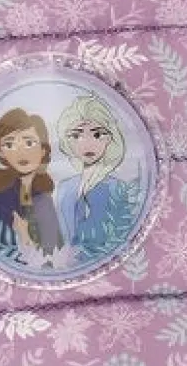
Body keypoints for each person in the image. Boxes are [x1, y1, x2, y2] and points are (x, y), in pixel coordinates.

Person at [0, 108, 64, 257]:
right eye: (10, 145)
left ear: (43, 149)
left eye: (29, 143)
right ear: (1, 152)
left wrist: (25, 237)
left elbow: (54, 251)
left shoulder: (44, 198)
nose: (21, 152)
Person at [55, 95, 132, 258]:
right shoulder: (64, 188)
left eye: (97, 135)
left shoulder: (117, 188)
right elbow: (61, 235)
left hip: (108, 262)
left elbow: (124, 235)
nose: (88, 144)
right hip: (68, 264)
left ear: (109, 139)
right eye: (77, 136)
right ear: (67, 141)